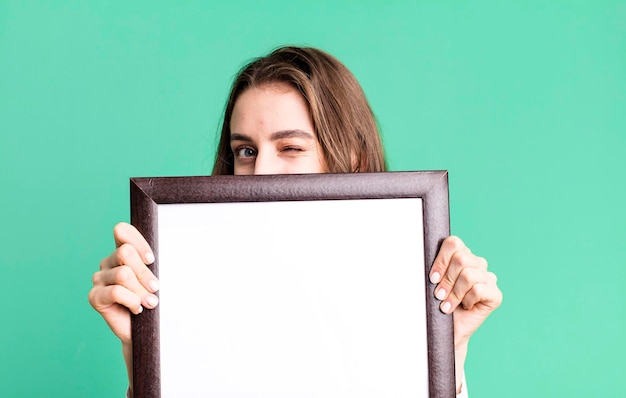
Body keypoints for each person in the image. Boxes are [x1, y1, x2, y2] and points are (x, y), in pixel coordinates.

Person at [89, 46, 502, 397]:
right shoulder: (196, 292)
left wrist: (449, 353)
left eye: (290, 147)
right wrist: (143, 356)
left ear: (351, 158)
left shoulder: (397, 291)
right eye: (246, 151)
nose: (261, 174)